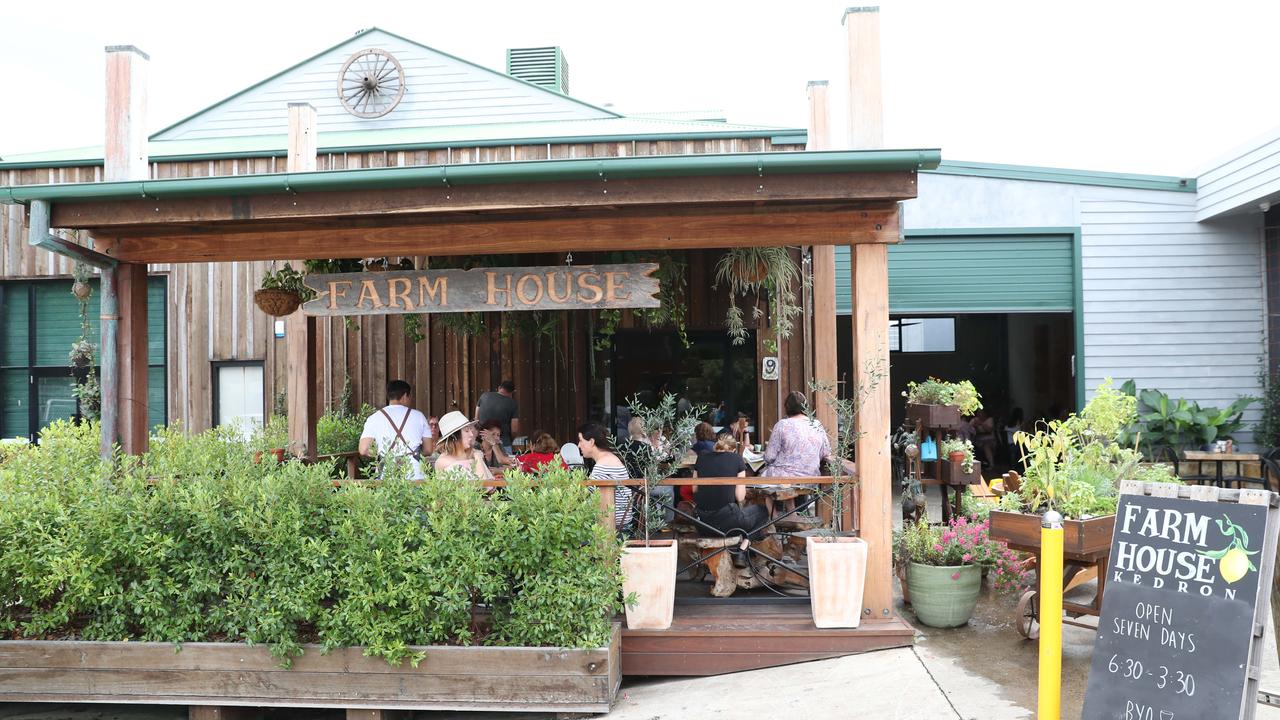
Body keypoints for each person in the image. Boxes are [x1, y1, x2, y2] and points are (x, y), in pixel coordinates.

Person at [693, 434, 769, 540]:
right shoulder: (737, 458)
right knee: (764, 511)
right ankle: (744, 546)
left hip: (702, 523)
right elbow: (740, 497)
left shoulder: (701, 457)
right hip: (729, 523)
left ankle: (742, 547)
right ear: (733, 449)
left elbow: (694, 489)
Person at [358, 380, 433, 479]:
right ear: (405, 396)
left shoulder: (374, 418)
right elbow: (428, 450)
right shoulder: (419, 416)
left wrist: (382, 454)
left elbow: (363, 450)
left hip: (386, 471)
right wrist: (413, 452)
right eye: (410, 397)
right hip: (413, 473)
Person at [761, 392, 832, 479]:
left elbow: (769, 457)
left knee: (756, 477)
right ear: (806, 406)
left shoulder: (782, 424)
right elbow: (826, 451)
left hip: (782, 479)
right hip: (810, 479)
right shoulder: (816, 424)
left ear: (787, 407)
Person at [577, 422, 634, 531]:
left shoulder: (603, 465)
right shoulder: (610, 458)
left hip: (612, 527)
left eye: (580, 440)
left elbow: (584, 498)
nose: (579, 445)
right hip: (622, 523)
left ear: (592, 442)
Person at [433, 410, 494, 480]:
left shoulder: (471, 455)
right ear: (455, 436)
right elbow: (485, 486)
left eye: (471, 430)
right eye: (467, 431)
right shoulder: (444, 462)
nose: (471, 434)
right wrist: (478, 457)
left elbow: (491, 485)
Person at [475, 380, 520, 452]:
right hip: (503, 443)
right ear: (511, 392)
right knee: (505, 462)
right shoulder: (512, 404)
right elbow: (514, 430)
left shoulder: (484, 396)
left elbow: (476, 419)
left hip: (483, 442)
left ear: (499, 388)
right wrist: (510, 440)